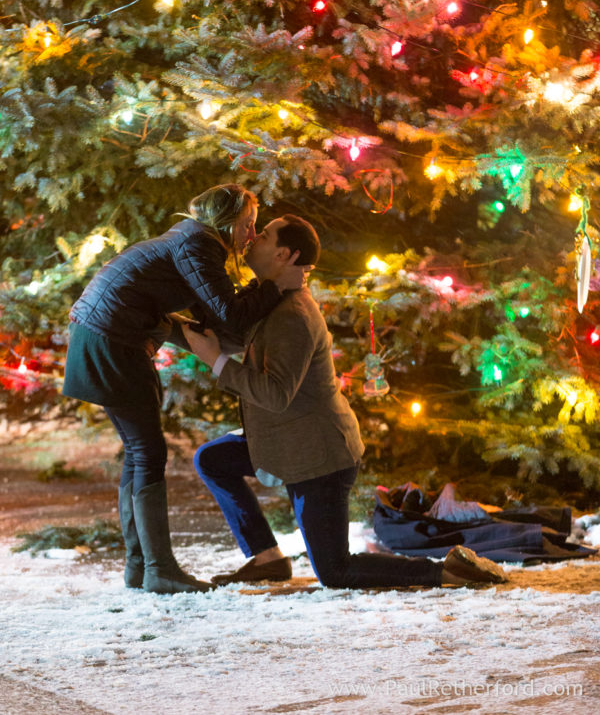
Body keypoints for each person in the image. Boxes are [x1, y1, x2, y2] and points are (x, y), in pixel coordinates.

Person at [185, 215, 508, 590]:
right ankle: (268, 558)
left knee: (336, 571)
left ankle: (444, 572)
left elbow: (275, 394)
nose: (253, 238)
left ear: (285, 255)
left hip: (319, 457)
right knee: (213, 459)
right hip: (286, 441)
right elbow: (236, 334)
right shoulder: (269, 300)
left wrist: (215, 361)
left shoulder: (294, 315)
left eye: (265, 234)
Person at [62, 184, 306, 595]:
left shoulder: (192, 241)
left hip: (103, 335)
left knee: (139, 453)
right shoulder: (199, 244)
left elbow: (211, 315)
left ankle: (142, 566)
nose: (251, 234)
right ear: (227, 221)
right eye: (249, 225)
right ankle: (158, 569)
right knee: (146, 452)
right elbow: (228, 316)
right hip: (112, 340)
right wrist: (275, 287)